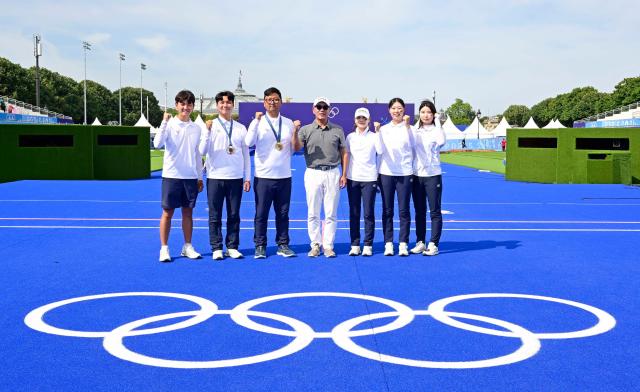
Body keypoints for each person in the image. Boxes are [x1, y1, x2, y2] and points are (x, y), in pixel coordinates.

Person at [199, 91, 251, 261]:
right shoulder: (210, 125)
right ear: (217, 105)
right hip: (215, 176)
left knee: (234, 214)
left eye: (228, 102)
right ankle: (216, 247)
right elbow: (202, 151)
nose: (225, 105)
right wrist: (206, 131)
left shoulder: (240, 128)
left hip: (235, 177)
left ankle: (232, 246)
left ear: (233, 105)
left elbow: (245, 155)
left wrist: (247, 177)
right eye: (221, 102)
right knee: (215, 215)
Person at [153, 90, 204, 262]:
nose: (186, 107)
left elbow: (198, 154)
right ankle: (164, 248)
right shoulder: (169, 124)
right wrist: (164, 122)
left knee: (188, 213)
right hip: (171, 176)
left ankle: (187, 246)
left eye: (189, 104)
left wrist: (199, 177)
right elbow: (157, 144)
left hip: (190, 177)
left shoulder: (197, 128)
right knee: (167, 213)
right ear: (177, 105)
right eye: (182, 104)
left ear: (192, 107)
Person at [245, 87, 296, 259]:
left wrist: (296, 133)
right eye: (269, 100)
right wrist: (254, 122)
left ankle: (283, 244)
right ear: (264, 103)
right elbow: (248, 142)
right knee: (261, 213)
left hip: (284, 176)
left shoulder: (288, 123)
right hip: (263, 176)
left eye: (275, 99)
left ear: (280, 102)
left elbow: (294, 148)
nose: (272, 102)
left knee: (283, 213)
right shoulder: (258, 122)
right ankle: (260, 245)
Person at [293, 97, 348, 258]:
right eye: (319, 106)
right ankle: (315, 244)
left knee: (331, 212)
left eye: (325, 107)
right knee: (313, 212)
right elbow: (296, 148)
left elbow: (344, 152)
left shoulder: (337, 130)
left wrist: (344, 174)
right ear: (314, 109)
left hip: (333, 172)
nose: (322, 109)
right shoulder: (305, 129)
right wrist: (295, 132)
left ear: (329, 110)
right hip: (313, 172)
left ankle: (328, 245)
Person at [378, 98, 414, 256]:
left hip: (405, 173)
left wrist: (407, 127)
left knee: (404, 210)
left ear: (404, 110)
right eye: (393, 108)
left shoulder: (410, 128)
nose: (396, 111)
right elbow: (379, 151)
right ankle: (388, 243)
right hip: (386, 173)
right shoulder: (384, 129)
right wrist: (378, 132)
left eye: (399, 108)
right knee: (387, 210)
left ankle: (403, 243)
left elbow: (413, 145)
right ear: (389, 110)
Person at [345, 108, 383, 256]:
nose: (361, 120)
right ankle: (355, 244)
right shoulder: (350, 137)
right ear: (355, 120)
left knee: (368, 213)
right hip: (353, 178)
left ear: (368, 119)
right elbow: (346, 156)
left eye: (364, 118)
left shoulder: (374, 136)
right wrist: (344, 175)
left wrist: (378, 131)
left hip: (369, 179)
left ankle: (368, 244)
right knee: (354, 212)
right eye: (358, 117)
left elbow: (380, 151)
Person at [410, 100, 446, 256]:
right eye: (423, 112)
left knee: (435, 211)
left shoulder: (437, 130)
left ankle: (433, 243)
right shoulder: (414, 130)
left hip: (432, 175)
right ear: (420, 113)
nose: (426, 115)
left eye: (429, 112)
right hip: (417, 175)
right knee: (419, 211)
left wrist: (438, 121)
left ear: (433, 114)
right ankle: (420, 242)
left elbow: (442, 141)